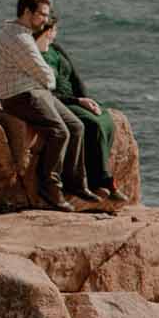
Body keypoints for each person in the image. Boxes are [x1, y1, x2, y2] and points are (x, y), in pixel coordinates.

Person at [0, 0, 85, 209]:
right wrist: (48, 82)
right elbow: (45, 74)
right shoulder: (18, 38)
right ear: (27, 12)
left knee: (76, 126)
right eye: (42, 14)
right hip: (20, 95)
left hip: (35, 90)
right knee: (59, 132)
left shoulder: (21, 32)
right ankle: (50, 188)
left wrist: (45, 83)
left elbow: (40, 74)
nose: (45, 19)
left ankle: (75, 184)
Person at [33, 19, 123, 203]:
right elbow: (45, 91)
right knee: (92, 125)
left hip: (76, 98)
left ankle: (95, 174)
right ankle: (102, 180)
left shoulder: (56, 48)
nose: (55, 33)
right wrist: (77, 101)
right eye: (54, 29)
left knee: (106, 119)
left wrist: (87, 99)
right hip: (59, 101)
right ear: (47, 31)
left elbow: (75, 76)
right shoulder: (34, 56)